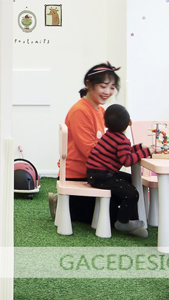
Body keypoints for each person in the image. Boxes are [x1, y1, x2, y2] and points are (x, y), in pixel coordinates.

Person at [60, 62, 120, 225]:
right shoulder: (80, 111)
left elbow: (107, 142)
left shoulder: (101, 111)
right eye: (103, 86)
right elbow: (90, 151)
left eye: (112, 87)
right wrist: (118, 154)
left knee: (129, 186)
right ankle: (62, 204)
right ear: (89, 84)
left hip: (94, 172)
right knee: (114, 212)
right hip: (80, 175)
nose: (108, 92)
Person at [84, 103, 151, 238]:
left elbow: (123, 152)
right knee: (132, 194)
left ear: (105, 123)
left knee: (131, 180)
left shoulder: (108, 135)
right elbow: (126, 160)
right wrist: (146, 152)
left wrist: (139, 147)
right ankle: (123, 222)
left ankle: (131, 217)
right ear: (128, 123)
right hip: (103, 176)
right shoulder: (122, 140)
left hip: (94, 174)